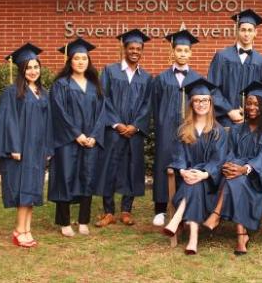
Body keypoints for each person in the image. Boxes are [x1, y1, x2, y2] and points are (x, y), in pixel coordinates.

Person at [203, 81, 262, 255]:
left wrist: (245, 169)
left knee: (236, 177)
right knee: (235, 178)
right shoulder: (237, 129)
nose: (252, 107)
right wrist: (231, 166)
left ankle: (216, 215)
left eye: (256, 104)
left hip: (259, 176)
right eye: (249, 103)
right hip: (235, 174)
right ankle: (241, 236)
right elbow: (230, 152)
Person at [0, 43, 53, 248]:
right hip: (21, 149)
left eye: (36, 67)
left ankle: (27, 229)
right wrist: (13, 147)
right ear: (21, 70)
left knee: (33, 189)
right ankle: (19, 230)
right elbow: (6, 121)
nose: (33, 71)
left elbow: (48, 123)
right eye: (28, 67)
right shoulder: (12, 92)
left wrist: (47, 148)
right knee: (22, 189)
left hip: (37, 149)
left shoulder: (43, 92)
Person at [93, 29, 153, 228]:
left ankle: (126, 210)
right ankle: (109, 211)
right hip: (113, 131)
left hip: (134, 133)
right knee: (109, 167)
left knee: (132, 167)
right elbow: (103, 99)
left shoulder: (146, 77)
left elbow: (147, 104)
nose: (135, 51)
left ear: (142, 51)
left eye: (138, 48)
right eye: (131, 48)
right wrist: (117, 124)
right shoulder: (110, 71)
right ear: (124, 49)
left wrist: (135, 126)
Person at [162, 78, 228, 255]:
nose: (201, 104)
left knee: (197, 183)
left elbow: (219, 159)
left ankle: (177, 218)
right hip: (188, 180)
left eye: (205, 100)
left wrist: (204, 174)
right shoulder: (183, 129)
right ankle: (193, 239)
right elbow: (178, 155)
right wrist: (183, 171)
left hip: (211, 183)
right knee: (194, 184)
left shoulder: (218, 131)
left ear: (210, 103)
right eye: (197, 100)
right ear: (191, 104)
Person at [48, 37, 106, 237]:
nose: (81, 62)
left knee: (87, 177)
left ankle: (83, 221)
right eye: (76, 58)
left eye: (84, 58)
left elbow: (102, 113)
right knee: (65, 176)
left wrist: (94, 136)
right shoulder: (61, 85)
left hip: (90, 141)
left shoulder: (95, 85)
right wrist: (76, 135)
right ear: (69, 61)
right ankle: (64, 222)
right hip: (67, 142)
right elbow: (59, 113)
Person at [151, 29, 202, 227]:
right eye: (178, 50)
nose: (182, 54)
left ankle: (184, 205)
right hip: (166, 129)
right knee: (163, 165)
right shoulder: (161, 78)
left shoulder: (197, 78)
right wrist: (161, 124)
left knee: (187, 165)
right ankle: (160, 209)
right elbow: (154, 105)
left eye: (185, 50)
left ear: (191, 53)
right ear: (172, 52)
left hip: (189, 128)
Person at [208, 8, 262, 127]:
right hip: (225, 119)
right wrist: (229, 110)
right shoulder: (222, 57)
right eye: (243, 30)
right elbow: (213, 87)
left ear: (256, 32)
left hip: (252, 120)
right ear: (237, 31)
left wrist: (250, 112)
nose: (246, 34)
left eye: (250, 30)